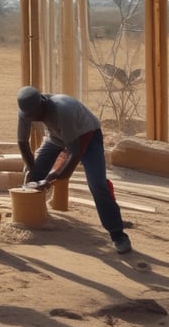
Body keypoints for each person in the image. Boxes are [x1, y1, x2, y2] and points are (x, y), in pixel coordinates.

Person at [16, 86, 132, 254]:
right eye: (30, 117)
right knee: (30, 175)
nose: (34, 119)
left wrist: (50, 179)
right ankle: (31, 219)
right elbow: (23, 143)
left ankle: (118, 234)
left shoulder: (62, 109)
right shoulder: (25, 112)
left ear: (42, 103)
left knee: (97, 184)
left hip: (87, 136)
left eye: (37, 115)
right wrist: (34, 172)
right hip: (56, 137)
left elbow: (74, 152)